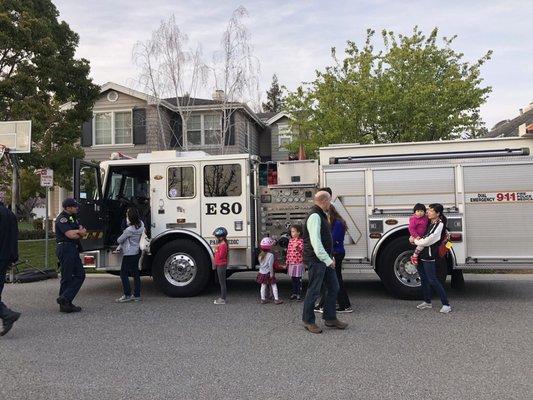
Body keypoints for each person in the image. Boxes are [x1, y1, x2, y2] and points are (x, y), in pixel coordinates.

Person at [302, 191, 348, 334]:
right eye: (329, 202)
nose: (330, 204)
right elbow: (316, 242)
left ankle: (330, 318)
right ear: (324, 201)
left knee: (334, 286)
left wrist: (330, 257)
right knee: (314, 290)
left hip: (324, 259)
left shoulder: (321, 215)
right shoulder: (315, 216)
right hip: (316, 260)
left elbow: (325, 239)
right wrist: (328, 259)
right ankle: (308, 321)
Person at [414, 203, 452, 314]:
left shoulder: (439, 225)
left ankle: (446, 304)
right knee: (424, 279)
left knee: (432, 279)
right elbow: (424, 238)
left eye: (431, 211)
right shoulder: (430, 222)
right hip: (422, 254)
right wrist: (416, 253)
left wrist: (415, 241)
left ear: (438, 213)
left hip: (429, 256)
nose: (428, 212)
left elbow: (429, 240)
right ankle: (427, 302)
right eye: (428, 210)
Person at [316, 205, 353, 313]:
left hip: (335, 254)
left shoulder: (337, 223)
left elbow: (332, 239)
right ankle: (326, 304)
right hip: (335, 253)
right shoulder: (337, 222)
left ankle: (344, 305)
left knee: (334, 280)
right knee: (332, 280)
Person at [55, 198, 87, 313]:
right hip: (65, 248)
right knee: (67, 276)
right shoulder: (62, 219)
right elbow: (70, 234)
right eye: (74, 206)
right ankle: (65, 304)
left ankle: (65, 298)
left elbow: (80, 231)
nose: (76, 207)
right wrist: (80, 233)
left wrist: (79, 233)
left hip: (73, 248)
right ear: (68, 208)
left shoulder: (73, 218)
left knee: (80, 275)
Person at [0, 198, 21, 336]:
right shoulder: (8, 213)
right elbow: (15, 236)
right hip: (6, 257)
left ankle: (7, 314)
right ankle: (6, 315)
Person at [115, 208, 145, 303]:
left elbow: (119, 240)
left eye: (127, 215)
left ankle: (127, 294)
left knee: (123, 274)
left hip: (128, 253)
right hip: (136, 252)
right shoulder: (141, 225)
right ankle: (137, 295)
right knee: (136, 274)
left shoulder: (129, 230)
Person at [256, 237, 283, 305]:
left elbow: (261, 265)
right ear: (269, 247)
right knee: (274, 285)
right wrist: (271, 274)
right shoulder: (271, 255)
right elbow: (270, 266)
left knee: (263, 286)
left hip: (262, 273)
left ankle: (263, 299)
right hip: (268, 273)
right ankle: (276, 299)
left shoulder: (260, 255)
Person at [286, 224, 304, 301]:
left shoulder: (301, 241)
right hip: (291, 263)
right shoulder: (290, 241)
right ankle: (294, 293)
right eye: (291, 232)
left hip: (298, 263)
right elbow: (288, 251)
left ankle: (299, 294)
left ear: (298, 232)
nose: (292, 233)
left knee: (298, 279)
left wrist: (298, 247)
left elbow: (302, 251)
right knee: (293, 279)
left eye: (293, 232)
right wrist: (287, 261)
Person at [213, 227, 229, 305]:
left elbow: (222, 255)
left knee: (222, 282)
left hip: (221, 265)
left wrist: (216, 251)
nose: (216, 238)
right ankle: (222, 297)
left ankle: (223, 299)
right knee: (221, 282)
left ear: (221, 237)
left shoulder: (223, 245)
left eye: (217, 236)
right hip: (219, 264)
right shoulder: (221, 244)